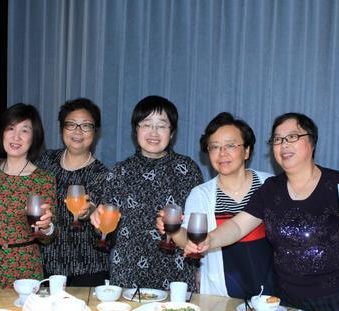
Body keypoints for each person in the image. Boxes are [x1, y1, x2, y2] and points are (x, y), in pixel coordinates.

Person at [185, 112, 339, 311]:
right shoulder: (270, 189)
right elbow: (238, 227)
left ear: (311, 142)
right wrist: (209, 239)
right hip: (289, 302)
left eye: (292, 137)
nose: (284, 145)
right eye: (277, 139)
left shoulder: (337, 183)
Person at [91, 96, 203, 289]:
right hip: (128, 270)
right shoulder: (119, 171)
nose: (154, 132)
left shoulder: (188, 169)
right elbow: (105, 230)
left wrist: (200, 268)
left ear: (172, 132)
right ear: (136, 130)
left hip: (177, 271)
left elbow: (198, 227)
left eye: (162, 126)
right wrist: (97, 222)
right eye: (146, 124)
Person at [158, 112, 275, 298]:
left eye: (231, 145)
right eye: (215, 147)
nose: (222, 153)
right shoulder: (201, 194)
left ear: (246, 151)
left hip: (271, 294)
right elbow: (189, 241)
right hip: (221, 295)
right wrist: (174, 230)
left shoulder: (270, 185)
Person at [0, 104, 54, 289]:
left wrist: (46, 227)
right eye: (10, 128)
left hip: (25, 265)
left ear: (34, 137)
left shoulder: (43, 178)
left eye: (24, 130)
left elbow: (49, 235)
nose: (16, 137)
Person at [36, 98, 110, 286]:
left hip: (89, 269)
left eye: (86, 126)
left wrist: (90, 212)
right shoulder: (45, 161)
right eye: (71, 124)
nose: (78, 131)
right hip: (46, 267)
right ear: (62, 128)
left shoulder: (103, 174)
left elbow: (106, 230)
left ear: (95, 132)